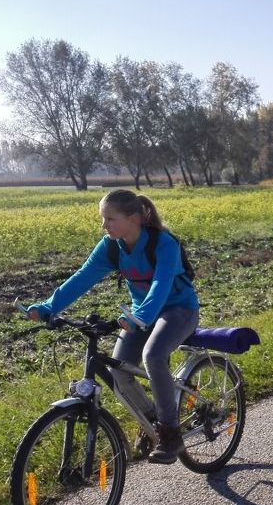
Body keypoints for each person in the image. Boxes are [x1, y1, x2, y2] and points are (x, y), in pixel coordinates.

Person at [24, 189, 200, 464]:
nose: (104, 226)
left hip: (179, 310)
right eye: (102, 219)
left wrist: (139, 315)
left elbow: (161, 285)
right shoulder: (110, 246)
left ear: (134, 219)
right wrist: (48, 307)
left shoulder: (163, 244)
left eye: (109, 219)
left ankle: (170, 432)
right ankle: (151, 420)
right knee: (118, 369)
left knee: (153, 356)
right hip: (142, 314)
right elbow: (82, 278)